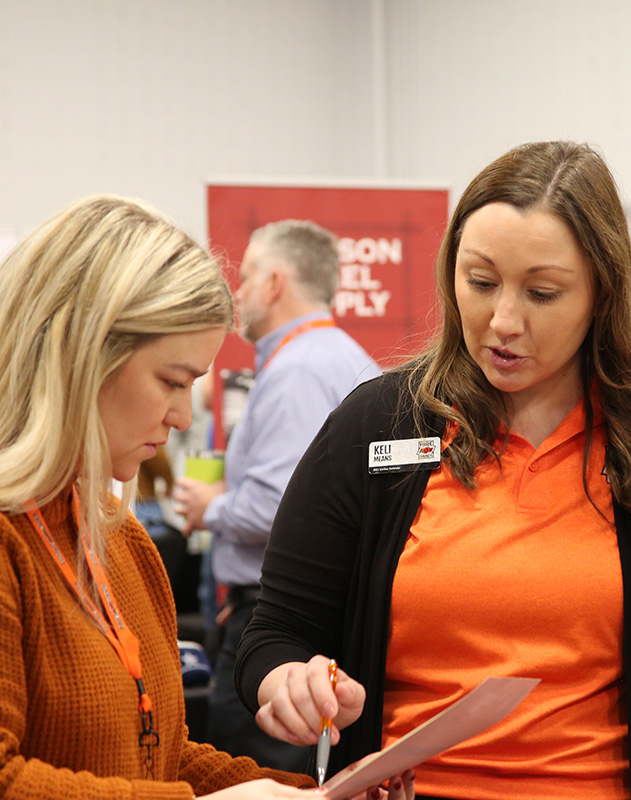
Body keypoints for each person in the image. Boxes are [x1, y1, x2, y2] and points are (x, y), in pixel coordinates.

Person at [234, 141, 631, 800]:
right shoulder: (381, 426)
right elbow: (274, 637)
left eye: (542, 292)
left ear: (601, 293)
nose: (502, 321)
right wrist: (293, 685)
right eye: (479, 281)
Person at [0, 195, 413, 800]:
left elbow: (164, 756)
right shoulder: (15, 543)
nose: (180, 414)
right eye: (171, 381)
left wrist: (316, 793)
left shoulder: (123, 543)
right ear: (82, 357)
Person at [175, 219, 381, 771]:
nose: (236, 292)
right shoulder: (334, 356)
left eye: (244, 278)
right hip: (295, 624)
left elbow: (281, 508)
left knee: (259, 771)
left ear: (273, 283)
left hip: (285, 633)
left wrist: (210, 508)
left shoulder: (298, 370)